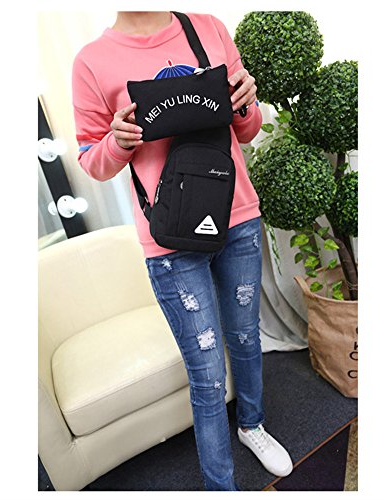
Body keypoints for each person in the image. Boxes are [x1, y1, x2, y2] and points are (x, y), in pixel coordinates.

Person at [72, 11, 293, 491]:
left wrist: (246, 104)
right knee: (207, 373)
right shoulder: (92, 61)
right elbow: (92, 162)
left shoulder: (208, 28)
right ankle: (220, 486)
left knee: (246, 338)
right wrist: (118, 142)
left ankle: (252, 424)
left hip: (237, 216)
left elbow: (247, 130)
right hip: (169, 238)